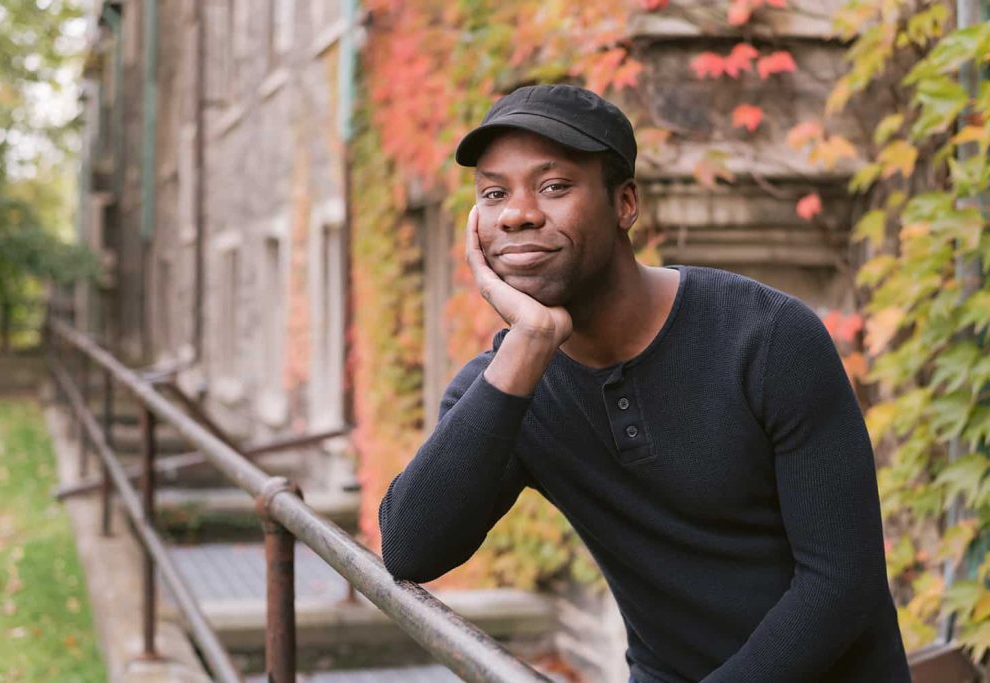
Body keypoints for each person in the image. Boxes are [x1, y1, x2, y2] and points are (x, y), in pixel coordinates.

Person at [378, 84, 911, 682]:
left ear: (625, 204)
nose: (518, 212)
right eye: (494, 193)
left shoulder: (767, 338)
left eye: (553, 187)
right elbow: (411, 550)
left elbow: (840, 584)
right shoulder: (509, 385)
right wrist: (528, 342)